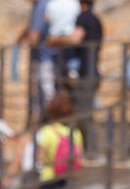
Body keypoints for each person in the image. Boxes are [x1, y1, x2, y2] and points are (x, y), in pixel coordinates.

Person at [47, 0, 104, 155]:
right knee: (81, 114)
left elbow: (75, 39)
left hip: (86, 75)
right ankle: (85, 151)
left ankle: (90, 152)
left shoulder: (84, 18)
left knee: (82, 114)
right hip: (89, 73)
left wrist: (54, 40)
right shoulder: (93, 18)